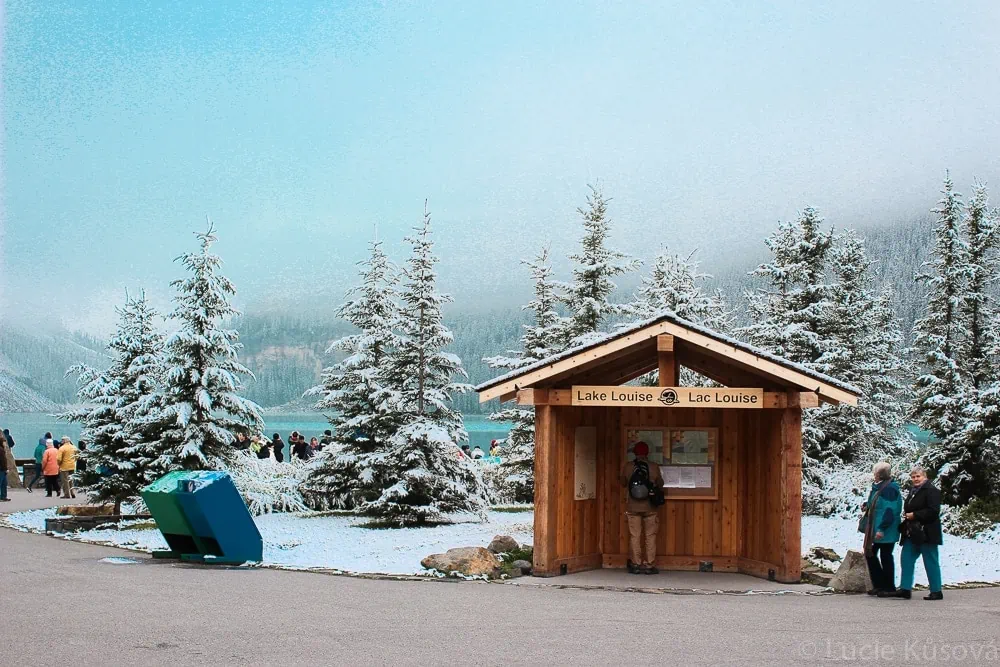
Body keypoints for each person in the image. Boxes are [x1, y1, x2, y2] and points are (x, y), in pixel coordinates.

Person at [881, 466, 944, 600]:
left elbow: (933, 511)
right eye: (913, 477)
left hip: (927, 533)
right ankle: (905, 589)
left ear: (925, 477)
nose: (915, 479)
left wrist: (915, 515)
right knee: (906, 558)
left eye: (918, 476)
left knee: (930, 561)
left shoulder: (932, 491)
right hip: (912, 532)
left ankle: (936, 591)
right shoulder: (913, 491)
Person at [620, 441, 663, 575]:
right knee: (650, 536)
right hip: (650, 507)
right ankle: (649, 565)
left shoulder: (628, 466)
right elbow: (660, 484)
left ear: (635, 453)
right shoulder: (653, 466)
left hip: (633, 506)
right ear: (647, 452)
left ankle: (636, 564)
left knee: (635, 536)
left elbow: (622, 483)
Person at [859, 461, 902, 596]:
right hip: (877, 527)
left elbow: (890, 510)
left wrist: (881, 529)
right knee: (871, 554)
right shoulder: (880, 488)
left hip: (884, 529)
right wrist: (868, 505)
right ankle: (880, 584)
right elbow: (879, 505)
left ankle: (888, 586)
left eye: (875, 473)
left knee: (884, 556)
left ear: (880, 475)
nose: (874, 475)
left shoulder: (889, 490)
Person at [0, 433, 9, 502]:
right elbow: (3, 460)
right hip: (2, 469)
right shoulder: (1, 450)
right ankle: (3, 496)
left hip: (2, 469)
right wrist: (5, 469)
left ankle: (3, 496)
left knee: (4, 483)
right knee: (2, 483)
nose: (5, 444)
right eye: (4, 443)